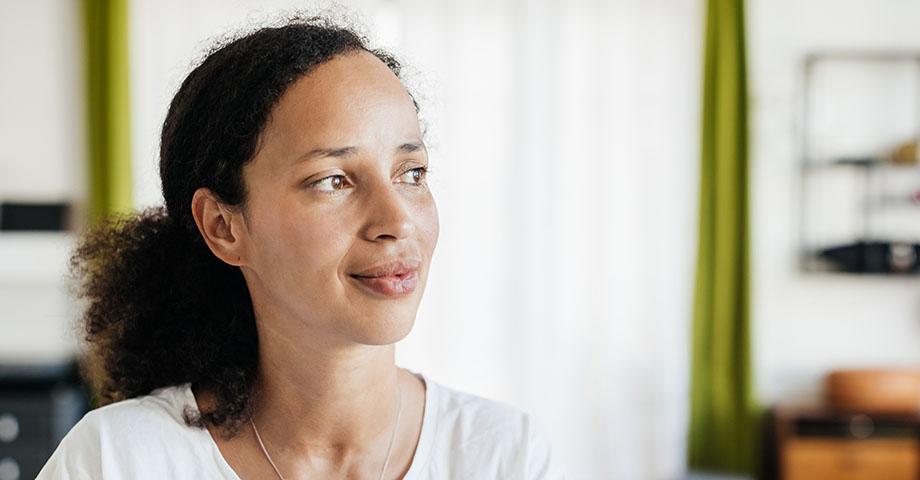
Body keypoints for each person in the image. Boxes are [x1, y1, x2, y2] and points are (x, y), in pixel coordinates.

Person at [37, 15, 563, 480]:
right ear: (223, 226)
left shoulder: (502, 454)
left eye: (412, 173)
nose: (397, 220)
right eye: (333, 180)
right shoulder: (116, 461)